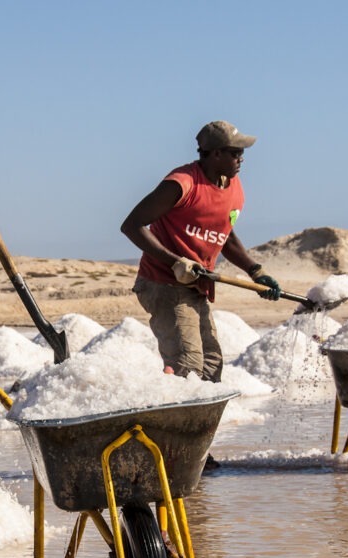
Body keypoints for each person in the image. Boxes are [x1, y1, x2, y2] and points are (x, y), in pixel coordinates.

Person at [120, 121, 281, 468]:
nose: (242, 158)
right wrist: (174, 261)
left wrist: (256, 271)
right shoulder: (182, 183)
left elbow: (226, 234)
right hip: (163, 283)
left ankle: (193, 451)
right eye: (235, 152)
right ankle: (171, 455)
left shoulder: (233, 186)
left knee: (211, 366)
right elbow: (131, 224)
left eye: (242, 152)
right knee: (187, 367)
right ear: (215, 153)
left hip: (195, 287)